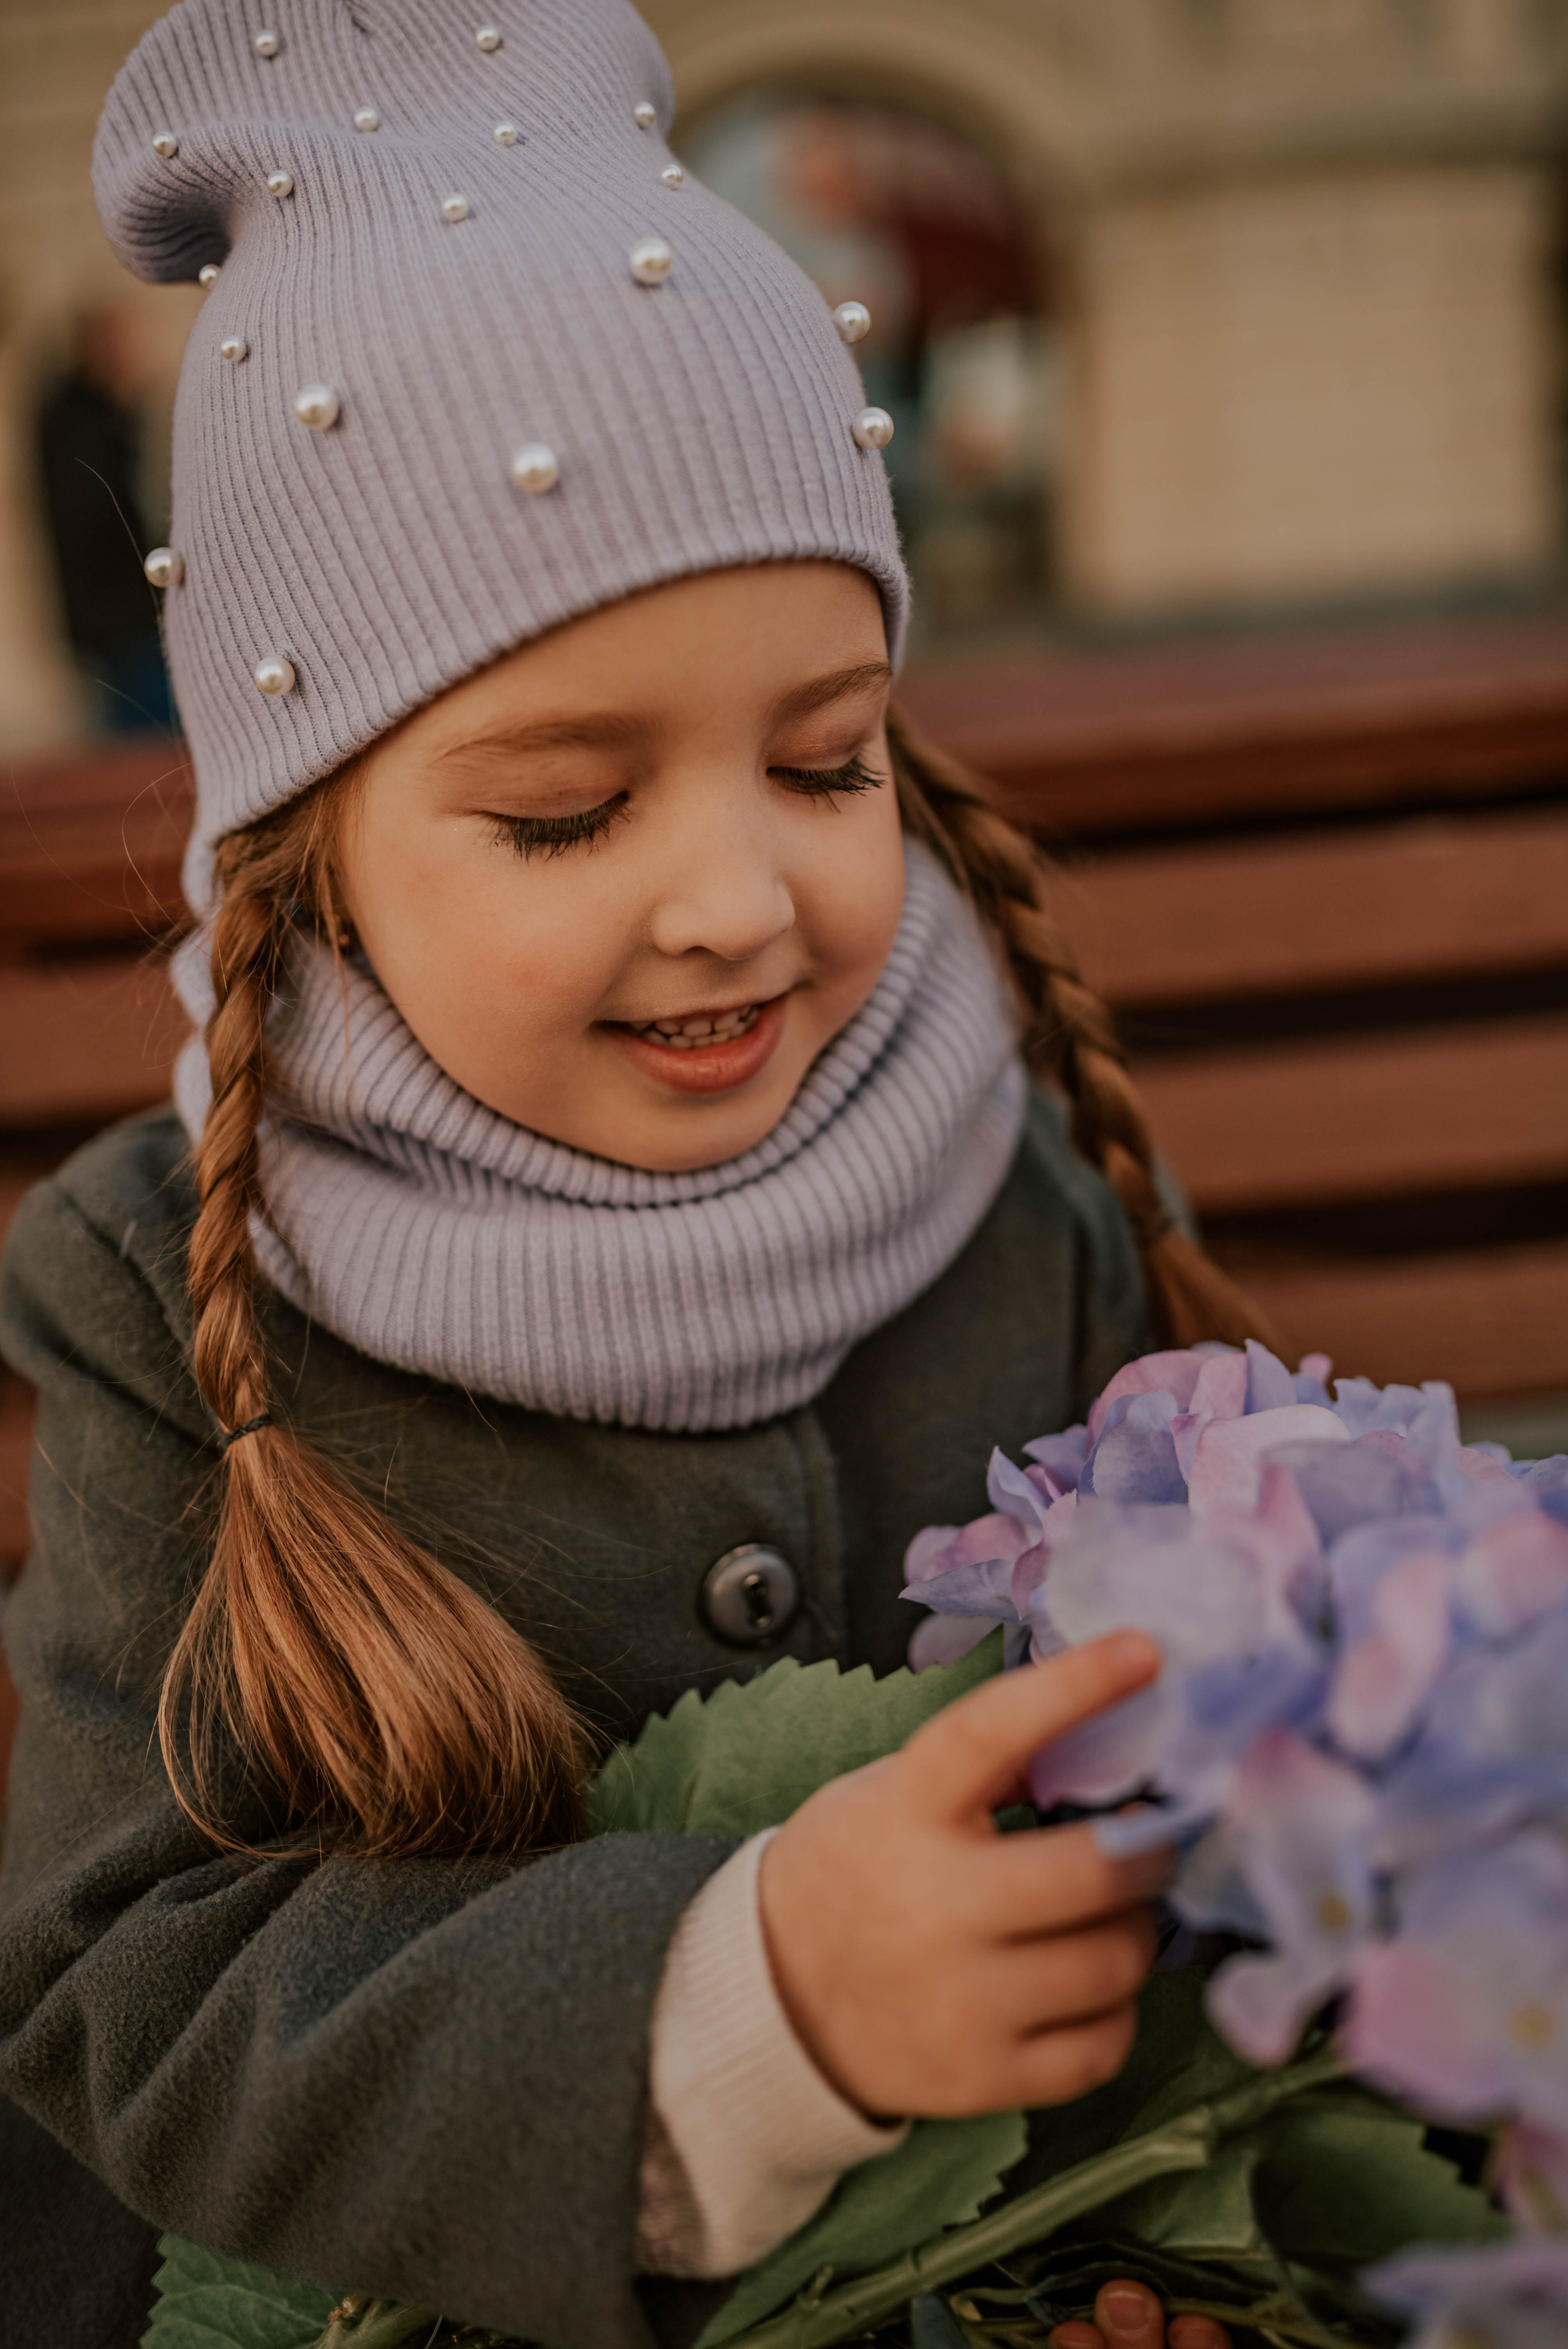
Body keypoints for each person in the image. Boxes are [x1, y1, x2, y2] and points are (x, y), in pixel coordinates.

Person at [0, 5, 1266, 2345]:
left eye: (821, 760)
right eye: (567, 810)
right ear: (310, 857)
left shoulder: (1006, 1171)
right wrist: (745, 1993)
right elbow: (129, 1978)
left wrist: (1149, 2216)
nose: (733, 901)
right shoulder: (162, 1288)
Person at [34, 304, 175, 734]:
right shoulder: (79, 423)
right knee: (146, 739)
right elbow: (102, 516)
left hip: (113, 618)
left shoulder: (82, 419)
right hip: (120, 619)